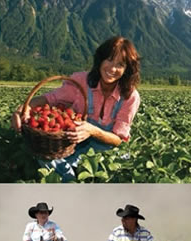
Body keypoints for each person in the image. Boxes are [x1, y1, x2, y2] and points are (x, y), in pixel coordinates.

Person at [11, 36, 141, 181]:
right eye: (109, 60)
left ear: (127, 69)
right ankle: (70, 183)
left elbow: (118, 139)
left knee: (111, 174)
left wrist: (92, 131)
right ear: (101, 59)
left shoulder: (130, 96)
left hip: (107, 152)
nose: (112, 68)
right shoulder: (81, 81)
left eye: (120, 64)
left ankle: (74, 180)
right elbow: (48, 99)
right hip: (77, 144)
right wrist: (21, 109)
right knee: (46, 156)